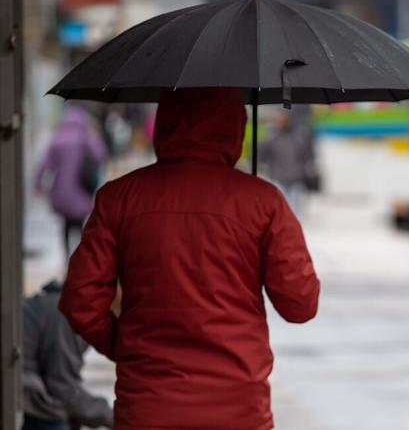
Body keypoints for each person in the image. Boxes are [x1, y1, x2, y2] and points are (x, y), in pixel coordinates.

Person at [58, 88, 321, 430]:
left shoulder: (118, 198)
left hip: (147, 407)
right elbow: (300, 305)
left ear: (165, 123)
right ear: (235, 127)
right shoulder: (263, 202)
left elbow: (81, 300)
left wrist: (125, 346)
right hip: (238, 410)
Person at [22, 280, 113, 430]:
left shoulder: (68, 307)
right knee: (54, 416)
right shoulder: (70, 315)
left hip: (20, 383)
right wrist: (112, 416)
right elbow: (63, 389)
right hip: (17, 389)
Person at [34, 103, 108, 257]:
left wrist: (38, 184)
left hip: (61, 189)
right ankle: (80, 257)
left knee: (66, 223)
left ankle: (66, 255)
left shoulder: (57, 138)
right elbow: (101, 155)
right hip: (81, 188)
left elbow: (45, 163)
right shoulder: (86, 137)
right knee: (79, 223)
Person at [257, 104, 316, 216]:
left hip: (297, 179)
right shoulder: (271, 134)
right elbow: (262, 156)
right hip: (278, 178)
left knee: (295, 213)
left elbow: (309, 154)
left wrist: (306, 169)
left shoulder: (301, 133)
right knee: (281, 212)